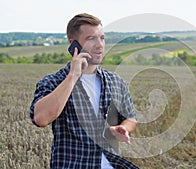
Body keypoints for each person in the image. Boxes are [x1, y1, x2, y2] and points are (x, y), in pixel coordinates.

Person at [29, 13, 138, 168]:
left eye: (102, 38)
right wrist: (73, 76)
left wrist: (123, 128)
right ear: (74, 44)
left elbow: (131, 118)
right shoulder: (53, 82)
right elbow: (40, 118)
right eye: (91, 38)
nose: (100, 45)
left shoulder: (116, 81)